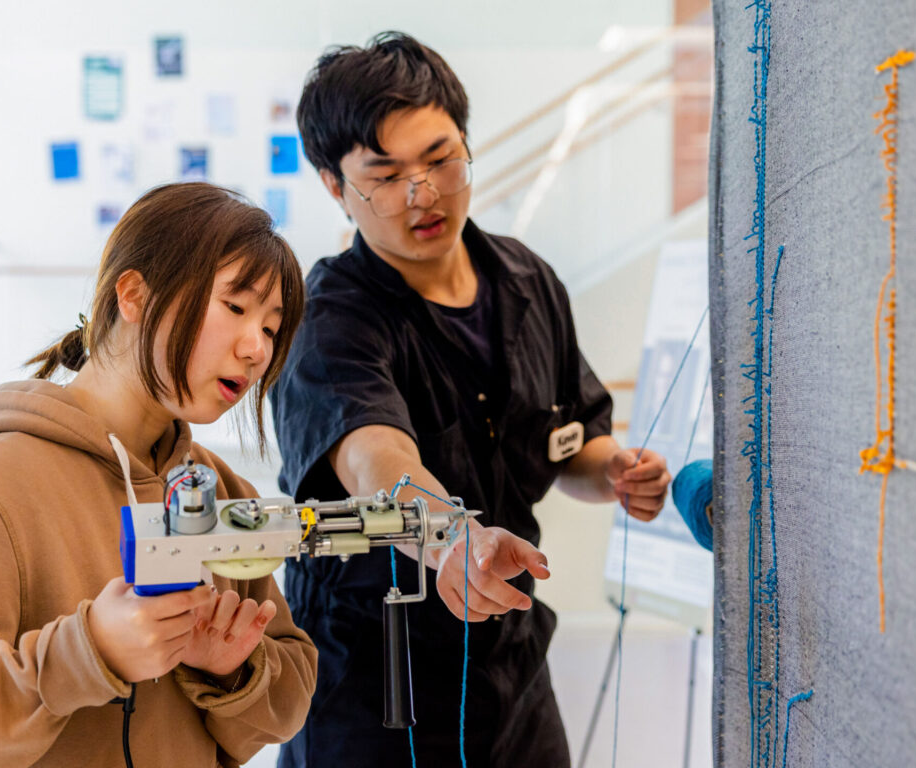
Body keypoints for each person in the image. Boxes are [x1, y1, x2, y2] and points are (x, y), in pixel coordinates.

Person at [271, 33, 671, 767]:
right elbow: (373, 456)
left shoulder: (527, 280)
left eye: (439, 158)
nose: (422, 194)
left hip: (508, 666)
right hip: (372, 681)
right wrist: (449, 537)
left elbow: (569, 436)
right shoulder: (329, 319)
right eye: (384, 176)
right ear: (334, 184)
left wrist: (614, 470)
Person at [0, 183, 317, 767]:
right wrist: (85, 654)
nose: (257, 349)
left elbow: (287, 698)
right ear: (134, 296)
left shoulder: (218, 490)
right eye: (235, 307)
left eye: (273, 328)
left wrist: (231, 670)